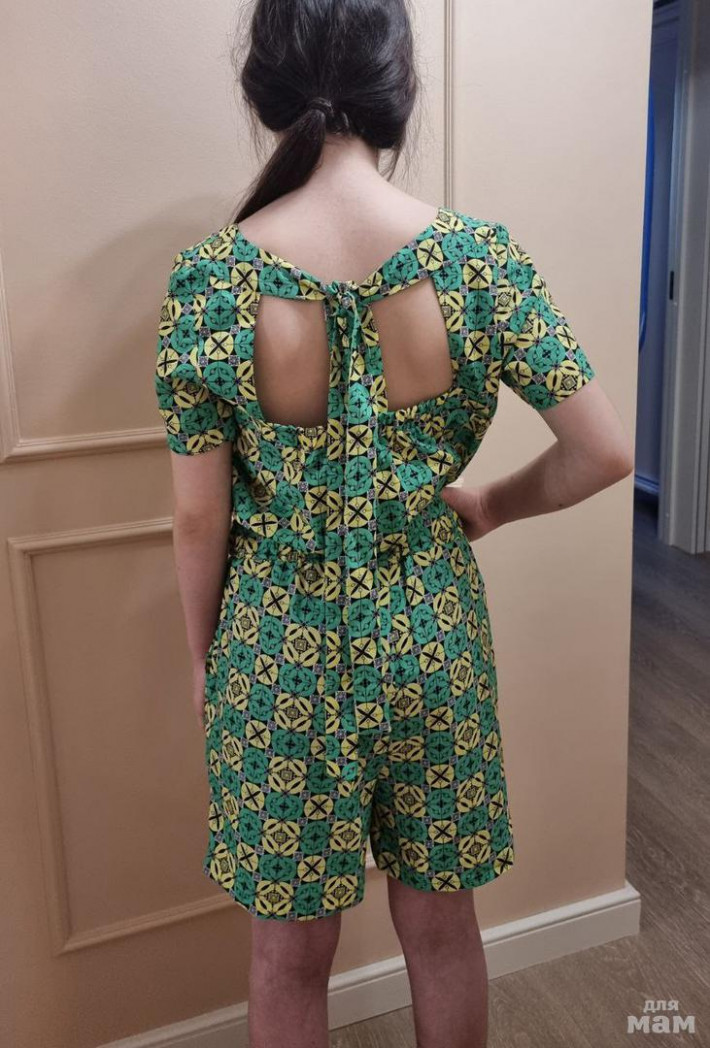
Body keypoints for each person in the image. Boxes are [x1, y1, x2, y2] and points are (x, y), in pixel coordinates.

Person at [153, 2, 634, 1046]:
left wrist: (202, 658)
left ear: (266, 88)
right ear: (396, 86)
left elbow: (197, 518)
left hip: (275, 648)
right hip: (433, 634)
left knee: (286, 957)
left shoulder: (210, 283)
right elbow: (603, 452)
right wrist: (489, 504)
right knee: (444, 929)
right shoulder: (479, 261)